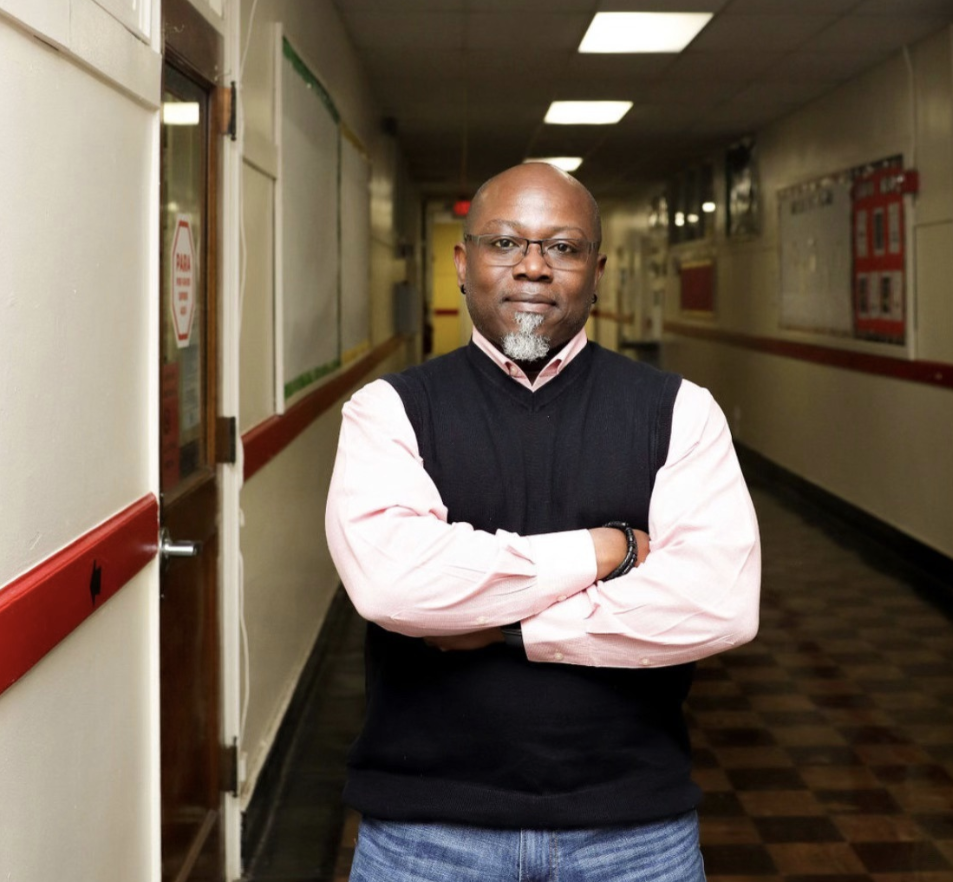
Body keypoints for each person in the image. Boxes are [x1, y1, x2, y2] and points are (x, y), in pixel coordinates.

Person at [326, 162, 761, 882]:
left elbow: (718, 604)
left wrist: (505, 628)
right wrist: (605, 550)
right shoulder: (390, 410)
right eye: (504, 243)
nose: (532, 267)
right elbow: (394, 587)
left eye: (562, 247)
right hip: (427, 833)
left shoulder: (680, 411)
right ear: (462, 264)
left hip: (634, 833)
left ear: (597, 272)